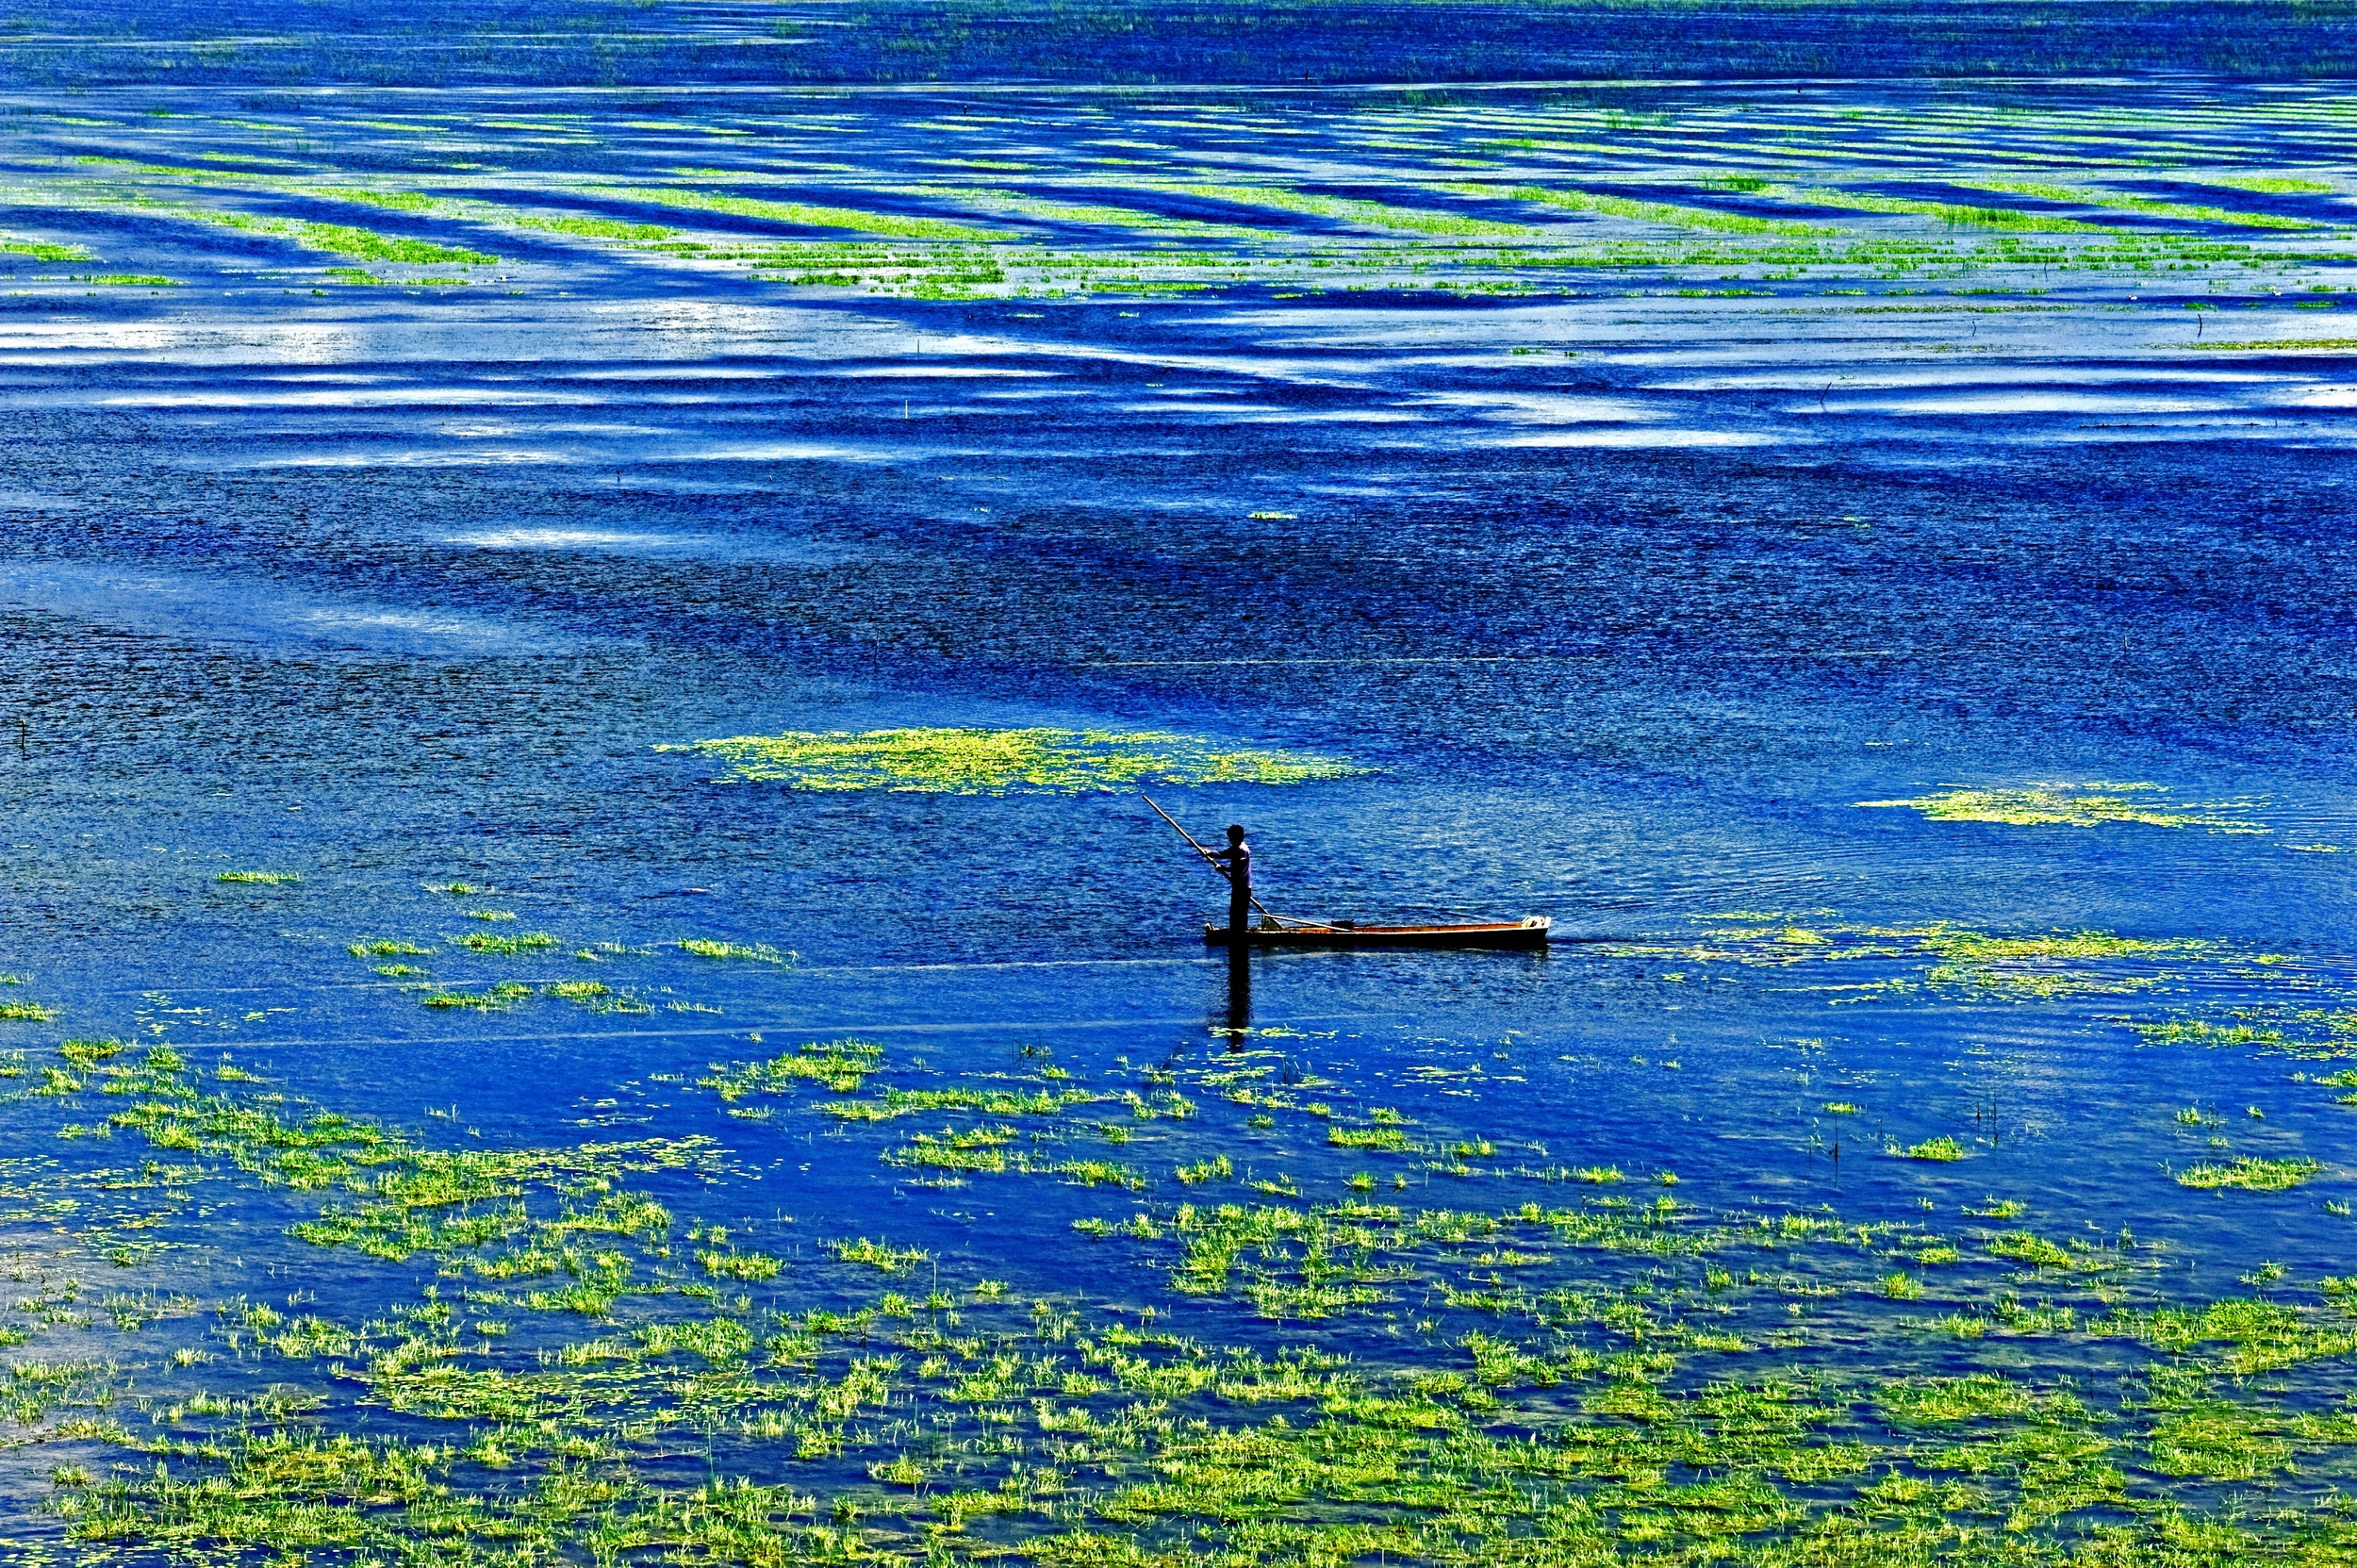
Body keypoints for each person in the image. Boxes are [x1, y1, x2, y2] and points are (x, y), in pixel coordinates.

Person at [1210, 824, 1250, 940]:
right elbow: (1223, 854)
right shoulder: (1236, 848)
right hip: (1238, 885)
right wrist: (1209, 853)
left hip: (1242, 887)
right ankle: (1237, 932)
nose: (1230, 840)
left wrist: (1224, 868)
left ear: (1239, 837)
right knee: (1235, 912)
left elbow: (1238, 868)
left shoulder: (1241, 850)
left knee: (1239, 912)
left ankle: (1240, 934)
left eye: (1231, 838)